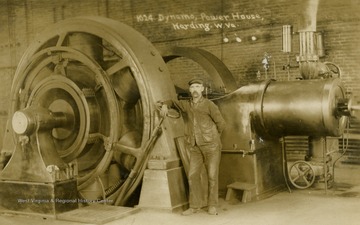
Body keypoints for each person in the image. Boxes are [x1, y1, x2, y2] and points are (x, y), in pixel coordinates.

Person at [158, 77, 226, 216]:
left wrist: (213, 138)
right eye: (192, 87)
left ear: (202, 89)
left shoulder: (209, 105)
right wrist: (165, 105)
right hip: (194, 146)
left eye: (197, 87)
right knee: (193, 175)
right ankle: (194, 206)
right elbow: (171, 102)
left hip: (211, 146)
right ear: (190, 90)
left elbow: (221, 124)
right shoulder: (186, 105)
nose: (195, 89)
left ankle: (212, 205)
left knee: (212, 176)